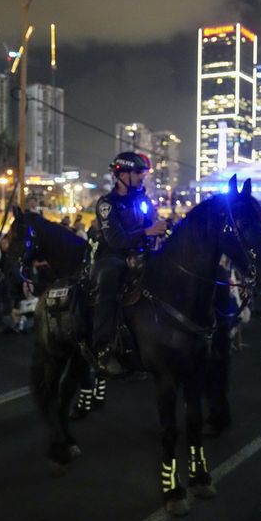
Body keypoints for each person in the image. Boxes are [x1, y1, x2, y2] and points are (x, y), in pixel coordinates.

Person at [86, 152, 167, 376]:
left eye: (143, 174)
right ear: (122, 175)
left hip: (141, 254)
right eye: (138, 174)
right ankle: (102, 348)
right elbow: (116, 240)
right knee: (109, 278)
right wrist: (148, 231)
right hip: (112, 256)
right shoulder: (107, 204)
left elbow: (153, 226)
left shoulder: (142, 200)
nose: (142, 178)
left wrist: (162, 231)